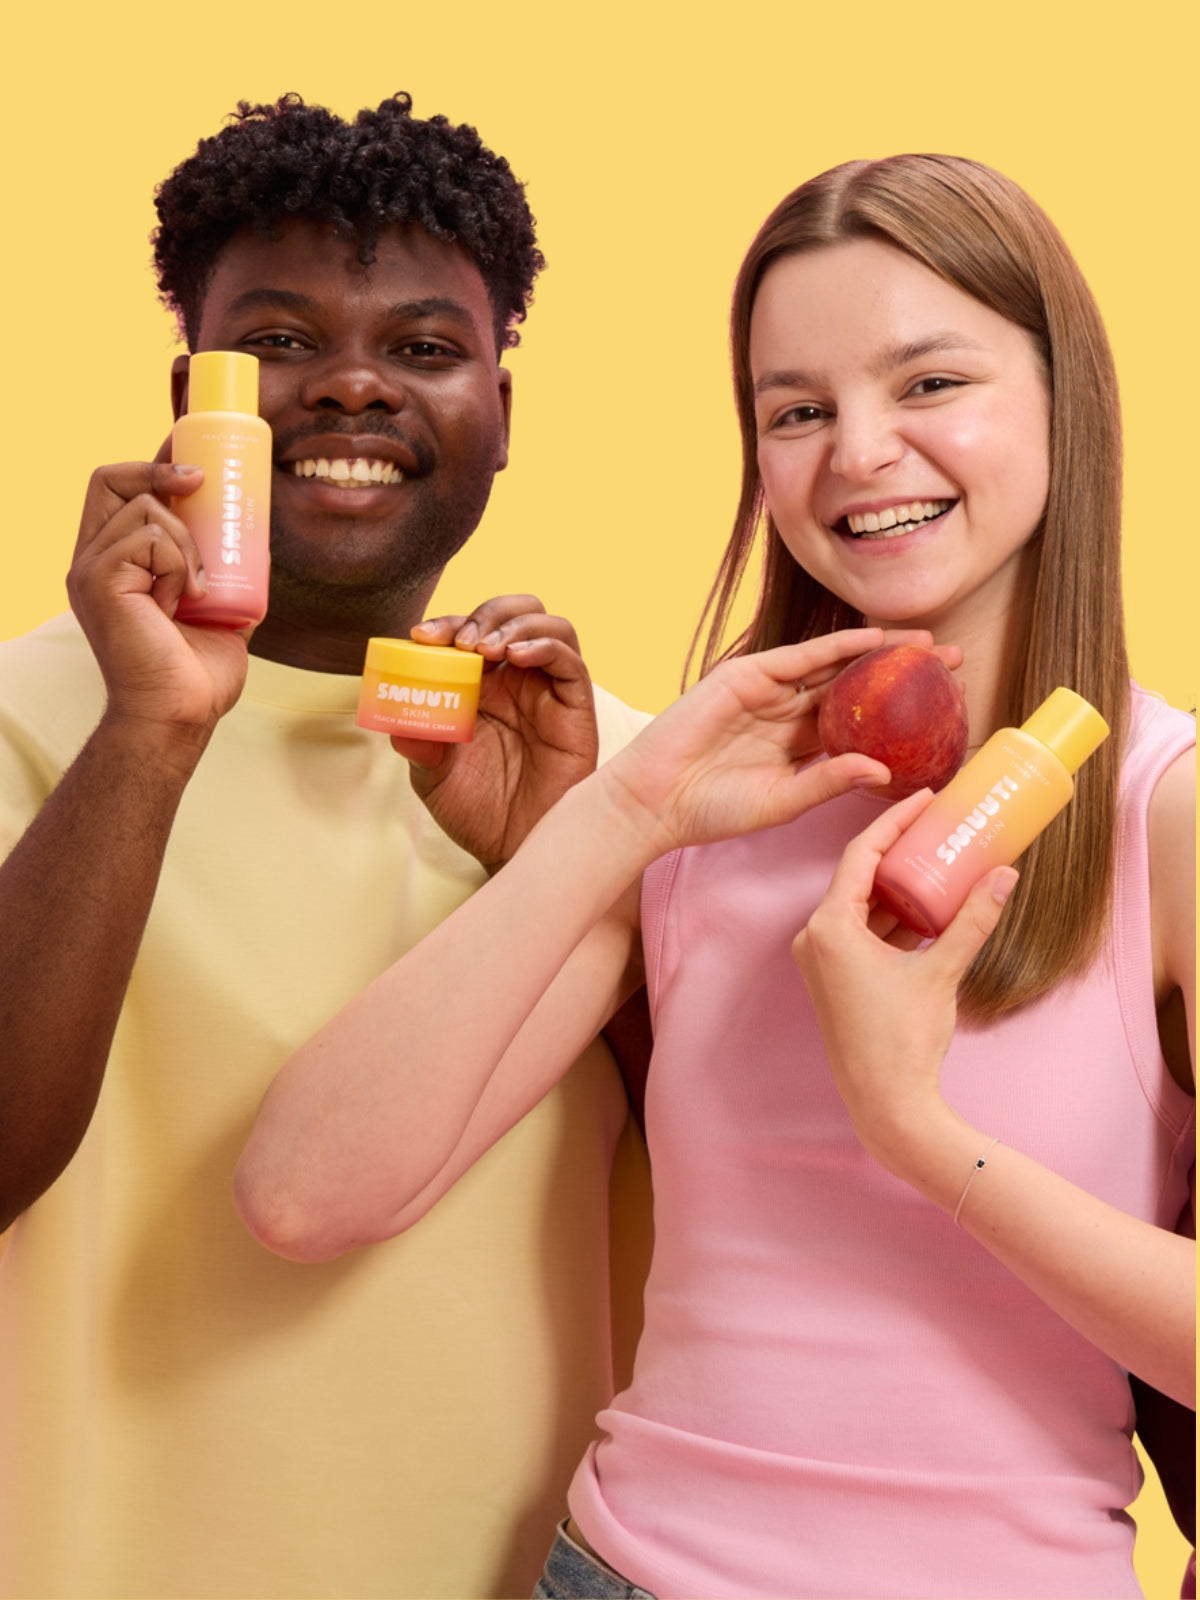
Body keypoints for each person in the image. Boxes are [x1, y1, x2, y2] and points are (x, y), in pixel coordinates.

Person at [236, 154, 1195, 1600]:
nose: (859, 452)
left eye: (929, 384)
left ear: (1068, 399)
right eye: (796, 411)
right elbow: (305, 1194)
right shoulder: (705, 798)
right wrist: (618, 812)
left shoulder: (1166, 815)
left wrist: (912, 1127)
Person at [0, 93, 653, 1599]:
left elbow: (742, 1204)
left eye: (423, 349)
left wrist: (560, 854)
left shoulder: (627, 772)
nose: (353, 389)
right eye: (281, 344)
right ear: (192, 397)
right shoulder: (41, 721)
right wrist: (149, 732)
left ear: (503, 404)